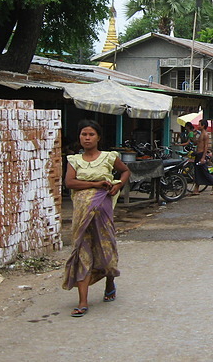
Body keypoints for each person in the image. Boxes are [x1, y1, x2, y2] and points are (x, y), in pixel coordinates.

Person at [62, 119, 130, 317]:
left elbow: (125, 171)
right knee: (82, 251)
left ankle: (110, 281)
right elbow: (70, 182)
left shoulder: (109, 157)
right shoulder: (74, 160)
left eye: (91, 134)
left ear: (98, 137)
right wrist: (96, 184)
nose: (87, 138)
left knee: (106, 251)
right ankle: (83, 301)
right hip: (82, 215)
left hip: (103, 215)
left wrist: (117, 185)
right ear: (80, 137)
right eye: (84, 134)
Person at [190, 118, 213, 195]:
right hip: (198, 154)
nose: (198, 126)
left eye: (199, 124)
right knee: (198, 172)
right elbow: (195, 143)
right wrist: (193, 135)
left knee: (205, 172)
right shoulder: (200, 134)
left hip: (201, 154)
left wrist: (203, 157)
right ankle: (196, 189)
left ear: (203, 126)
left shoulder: (205, 135)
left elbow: (206, 146)